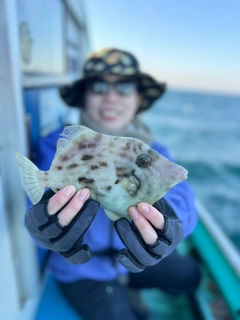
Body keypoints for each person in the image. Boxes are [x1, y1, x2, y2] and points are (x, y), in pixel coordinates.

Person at [25, 48, 201, 320]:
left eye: (125, 87)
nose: (110, 98)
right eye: (98, 86)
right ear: (84, 95)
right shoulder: (54, 144)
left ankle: (130, 284)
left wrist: (172, 219)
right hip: (82, 269)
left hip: (137, 260)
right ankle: (127, 294)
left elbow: (182, 196)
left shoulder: (153, 149)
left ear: (138, 97)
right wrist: (40, 216)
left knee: (190, 275)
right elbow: (41, 188)